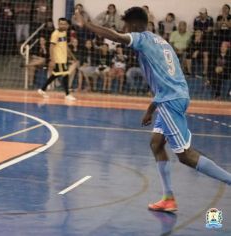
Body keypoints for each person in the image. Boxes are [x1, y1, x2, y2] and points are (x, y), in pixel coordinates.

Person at [74, 7, 231, 212]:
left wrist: (87, 25)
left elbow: (116, 36)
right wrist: (150, 109)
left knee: (185, 155)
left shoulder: (141, 38)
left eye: (127, 26)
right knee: (156, 144)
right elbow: (164, 78)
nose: (125, 29)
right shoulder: (161, 42)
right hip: (172, 96)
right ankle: (168, 198)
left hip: (170, 101)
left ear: (135, 25)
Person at [37, 18, 76, 101]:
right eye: (61, 24)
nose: (63, 25)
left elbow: (65, 46)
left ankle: (42, 89)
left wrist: (72, 56)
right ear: (58, 24)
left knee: (55, 75)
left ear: (66, 25)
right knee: (65, 75)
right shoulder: (55, 34)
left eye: (64, 24)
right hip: (59, 59)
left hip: (63, 58)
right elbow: (51, 47)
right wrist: (52, 59)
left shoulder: (64, 32)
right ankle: (67, 94)